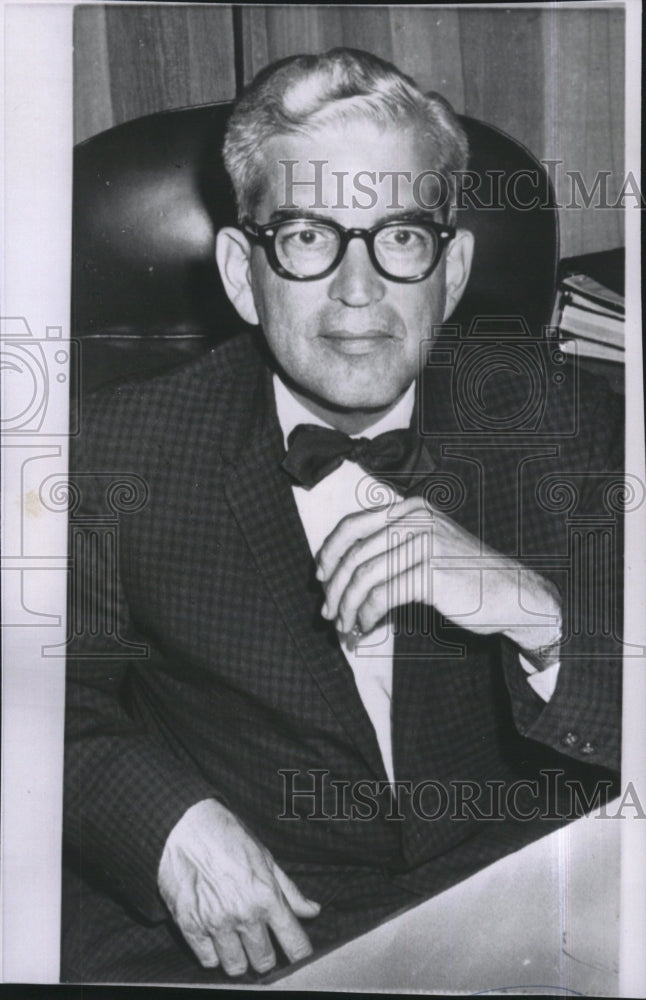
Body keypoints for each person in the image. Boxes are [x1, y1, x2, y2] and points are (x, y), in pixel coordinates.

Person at [62, 49, 623, 984]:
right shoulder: (119, 447)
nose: (359, 292)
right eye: (309, 237)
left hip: (522, 911)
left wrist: (541, 616)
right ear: (245, 274)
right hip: (254, 934)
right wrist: (161, 821)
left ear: (452, 272)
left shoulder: (563, 420)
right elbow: (37, 702)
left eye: (400, 236)